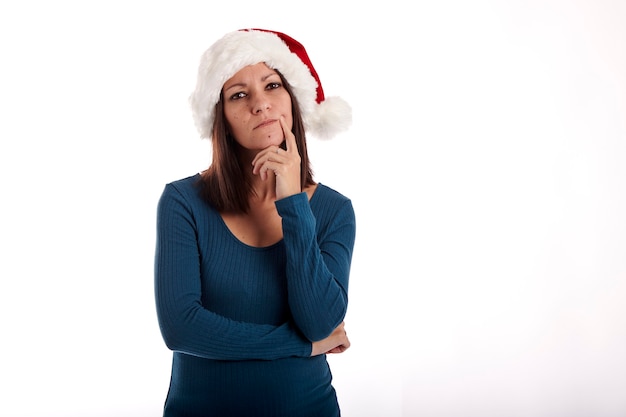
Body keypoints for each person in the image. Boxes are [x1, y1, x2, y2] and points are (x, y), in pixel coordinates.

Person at [154, 28, 356, 417]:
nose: (261, 105)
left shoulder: (334, 210)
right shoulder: (182, 203)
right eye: (239, 94)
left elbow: (319, 323)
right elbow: (181, 328)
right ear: (222, 119)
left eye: (272, 85)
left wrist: (294, 205)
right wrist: (298, 346)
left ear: (294, 100)